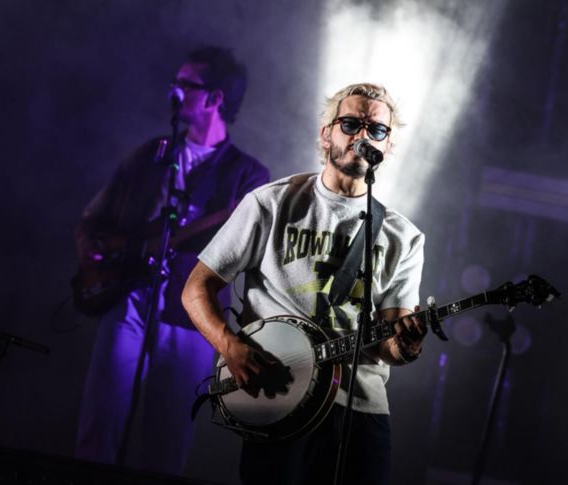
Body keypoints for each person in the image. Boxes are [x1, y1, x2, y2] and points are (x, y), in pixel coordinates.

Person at [181, 82, 427, 485]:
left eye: (377, 129)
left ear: (388, 145)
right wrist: (230, 346)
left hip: (360, 411)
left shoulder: (404, 237)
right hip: (282, 397)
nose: (363, 136)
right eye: (351, 124)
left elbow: (390, 347)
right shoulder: (271, 203)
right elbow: (196, 288)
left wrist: (408, 344)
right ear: (326, 133)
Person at [73, 46, 270, 475]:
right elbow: (94, 216)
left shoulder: (249, 176)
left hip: (193, 316)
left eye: (185, 84)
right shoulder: (151, 153)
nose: (173, 91)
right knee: (99, 425)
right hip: (129, 300)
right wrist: (91, 250)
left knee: (168, 441)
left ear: (215, 98)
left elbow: (244, 253)